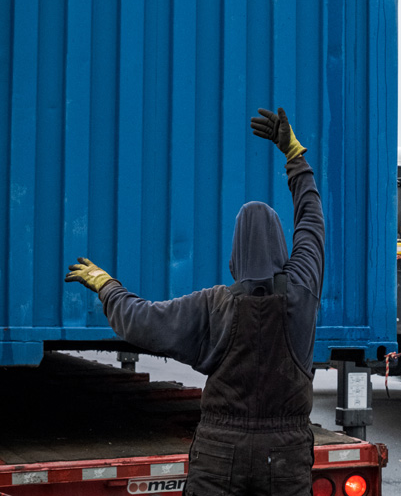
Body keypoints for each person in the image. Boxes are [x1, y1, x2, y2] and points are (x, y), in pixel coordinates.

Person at [65, 107, 324, 496]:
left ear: (234, 252)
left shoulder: (212, 305)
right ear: (281, 244)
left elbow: (141, 321)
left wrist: (107, 286)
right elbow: (311, 221)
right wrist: (293, 155)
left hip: (220, 455)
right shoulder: (302, 289)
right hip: (285, 457)